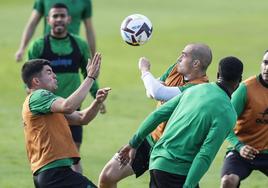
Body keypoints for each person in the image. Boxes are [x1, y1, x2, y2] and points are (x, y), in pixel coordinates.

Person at [118, 56, 243, 188]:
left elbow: (158, 115)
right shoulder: (228, 114)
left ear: (218, 74)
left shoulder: (195, 89)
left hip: (157, 161)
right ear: (239, 81)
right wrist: (189, 185)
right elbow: (205, 154)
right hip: (177, 171)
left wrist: (134, 143)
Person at [98, 43, 212, 188]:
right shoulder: (177, 69)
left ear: (196, 63)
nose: (179, 58)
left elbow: (156, 92)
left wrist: (145, 70)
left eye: (184, 55)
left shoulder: (198, 88)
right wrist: (155, 88)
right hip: (151, 138)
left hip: (171, 151)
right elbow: (151, 91)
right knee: (107, 177)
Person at [27, 3, 102, 173]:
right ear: (48, 20)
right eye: (55, 16)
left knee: (73, 153)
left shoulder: (80, 44)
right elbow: (29, 80)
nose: (59, 19)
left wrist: (96, 95)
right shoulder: (38, 46)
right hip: (48, 108)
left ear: (69, 19)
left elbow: (87, 72)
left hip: (72, 105)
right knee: (51, 156)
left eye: (62, 16)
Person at [21, 54, 110, 188]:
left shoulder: (46, 105)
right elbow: (68, 106)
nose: (55, 76)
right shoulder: (38, 96)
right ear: (36, 81)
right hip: (54, 174)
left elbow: (81, 118)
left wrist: (97, 102)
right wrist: (90, 77)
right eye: (49, 72)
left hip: (53, 174)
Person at [220, 51, 268, 188]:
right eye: (265, 63)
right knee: (228, 181)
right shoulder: (245, 89)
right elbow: (224, 125)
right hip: (241, 151)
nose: (267, 68)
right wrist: (239, 146)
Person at [15, 0, 96, 62]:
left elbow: (89, 29)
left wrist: (92, 56)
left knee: (70, 78)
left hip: (72, 49)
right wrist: (22, 48)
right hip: (48, 49)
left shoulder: (84, 1)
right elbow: (32, 23)